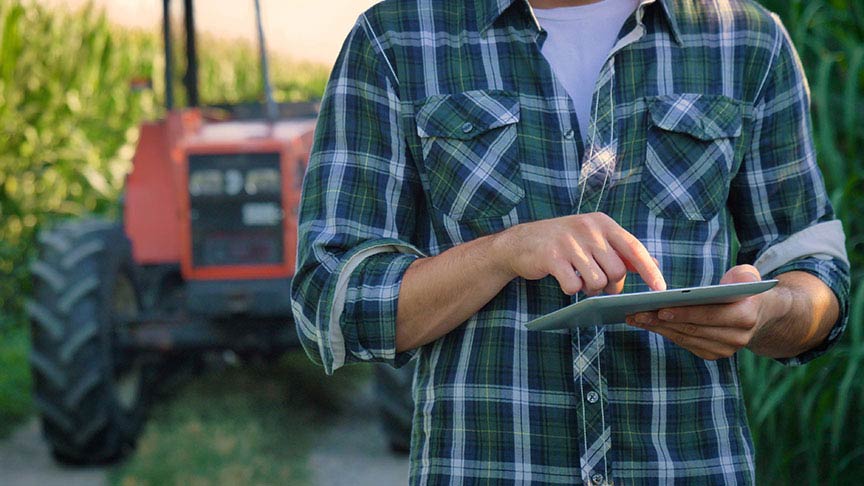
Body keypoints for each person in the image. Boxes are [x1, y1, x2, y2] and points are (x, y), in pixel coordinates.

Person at [291, 0, 850, 483]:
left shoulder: (746, 39)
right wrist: (502, 252)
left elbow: (814, 270)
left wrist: (769, 311)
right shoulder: (396, 39)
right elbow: (331, 304)